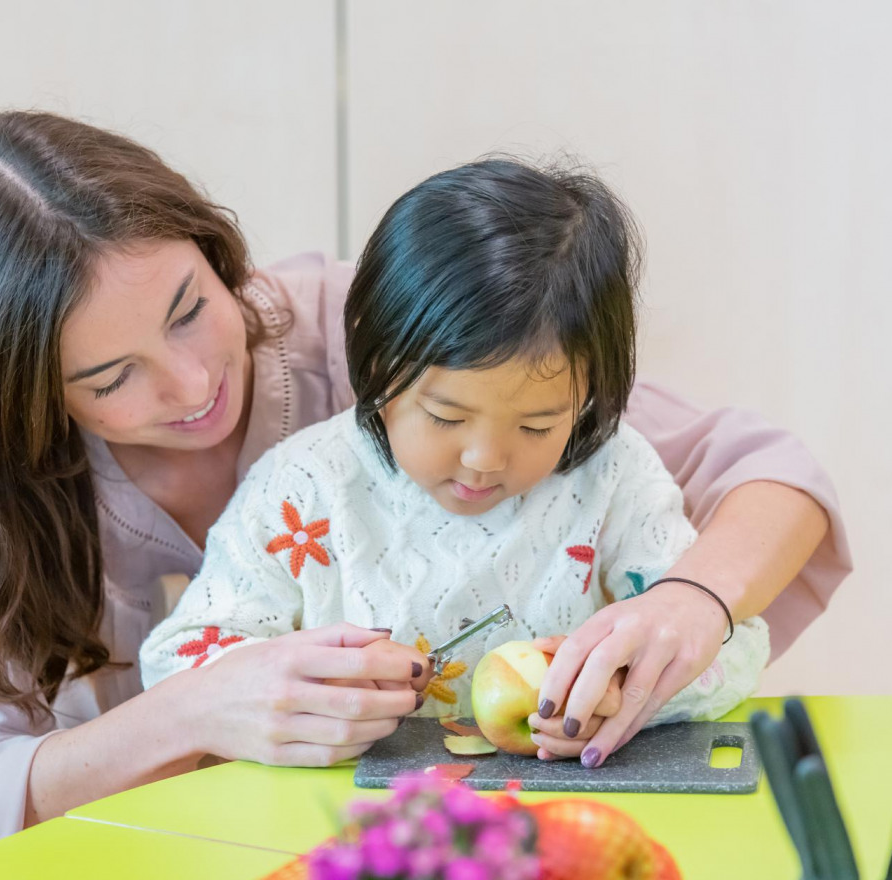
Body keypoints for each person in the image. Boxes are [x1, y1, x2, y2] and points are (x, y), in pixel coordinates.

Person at [0, 111, 848, 873]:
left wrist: (691, 599)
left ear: (212, 247)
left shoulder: (368, 334)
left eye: (192, 309)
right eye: (110, 379)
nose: (192, 386)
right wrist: (192, 711)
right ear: (24, 401)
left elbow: (769, 471)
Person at [139, 158, 770, 759]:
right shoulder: (305, 487)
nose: (483, 460)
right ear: (377, 363)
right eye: (445, 417)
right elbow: (178, 657)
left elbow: (734, 648)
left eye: (537, 423)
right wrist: (300, 687)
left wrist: (625, 690)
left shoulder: (611, 477)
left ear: (587, 396)